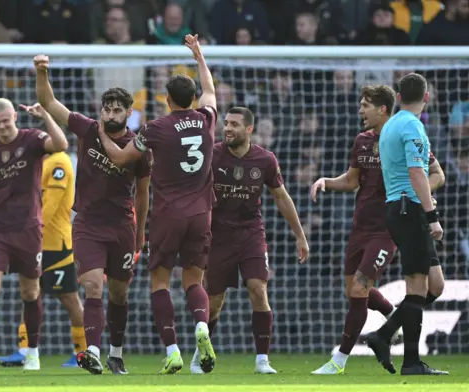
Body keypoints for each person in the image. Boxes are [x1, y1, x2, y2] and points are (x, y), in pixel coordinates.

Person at [95, 34, 216, 374]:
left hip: (168, 215)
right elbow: (210, 90)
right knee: (194, 280)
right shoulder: (207, 118)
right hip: (202, 213)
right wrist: (199, 57)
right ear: (192, 98)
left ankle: (173, 350)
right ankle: (202, 326)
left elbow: (120, 158)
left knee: (159, 282)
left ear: (166, 99)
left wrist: (103, 132)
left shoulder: (156, 128)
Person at [310, 85, 447, 375]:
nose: (360, 110)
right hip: (362, 224)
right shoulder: (362, 141)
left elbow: (433, 173)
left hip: (392, 224)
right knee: (354, 289)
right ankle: (392, 322)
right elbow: (352, 180)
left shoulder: (401, 134)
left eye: (365, 105)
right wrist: (326, 181)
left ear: (383, 108)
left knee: (361, 288)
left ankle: (339, 361)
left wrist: (421, 195)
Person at [34, 55, 152, 375]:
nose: (110, 113)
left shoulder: (138, 147)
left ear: (129, 113)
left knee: (119, 293)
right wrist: (42, 72)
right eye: (107, 108)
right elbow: (48, 101)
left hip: (123, 227)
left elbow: (142, 193)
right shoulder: (86, 129)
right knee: (92, 288)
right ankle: (93, 351)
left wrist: (140, 231)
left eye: (117, 109)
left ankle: (116, 352)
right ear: (101, 110)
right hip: (87, 223)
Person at [190, 107, 309, 375]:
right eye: (227, 124)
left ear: (249, 130)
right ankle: (201, 352)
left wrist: (299, 235)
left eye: (234, 124)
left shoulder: (265, 160)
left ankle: (262, 360)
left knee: (258, 288)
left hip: (251, 234)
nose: (228, 128)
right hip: (218, 236)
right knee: (215, 301)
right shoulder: (212, 154)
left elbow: (281, 197)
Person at [0, 97, 69, 371]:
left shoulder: (32, 140)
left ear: (15, 118)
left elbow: (62, 145)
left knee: (30, 291)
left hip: (28, 228)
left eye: (6, 122)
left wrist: (46, 116)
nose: (2, 128)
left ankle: (32, 352)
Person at [367, 73, 448, 375]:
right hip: (408, 209)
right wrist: (432, 216)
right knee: (417, 287)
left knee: (434, 285)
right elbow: (417, 173)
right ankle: (411, 362)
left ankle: (383, 335)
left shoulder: (390, 126)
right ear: (426, 98)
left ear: (398, 97)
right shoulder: (413, 126)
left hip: (398, 207)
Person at [0, 103, 86, 368]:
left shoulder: (60, 164)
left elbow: (51, 206)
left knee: (69, 299)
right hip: (35, 242)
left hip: (56, 244)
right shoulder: (38, 163)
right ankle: (24, 350)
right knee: (30, 294)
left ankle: (83, 352)